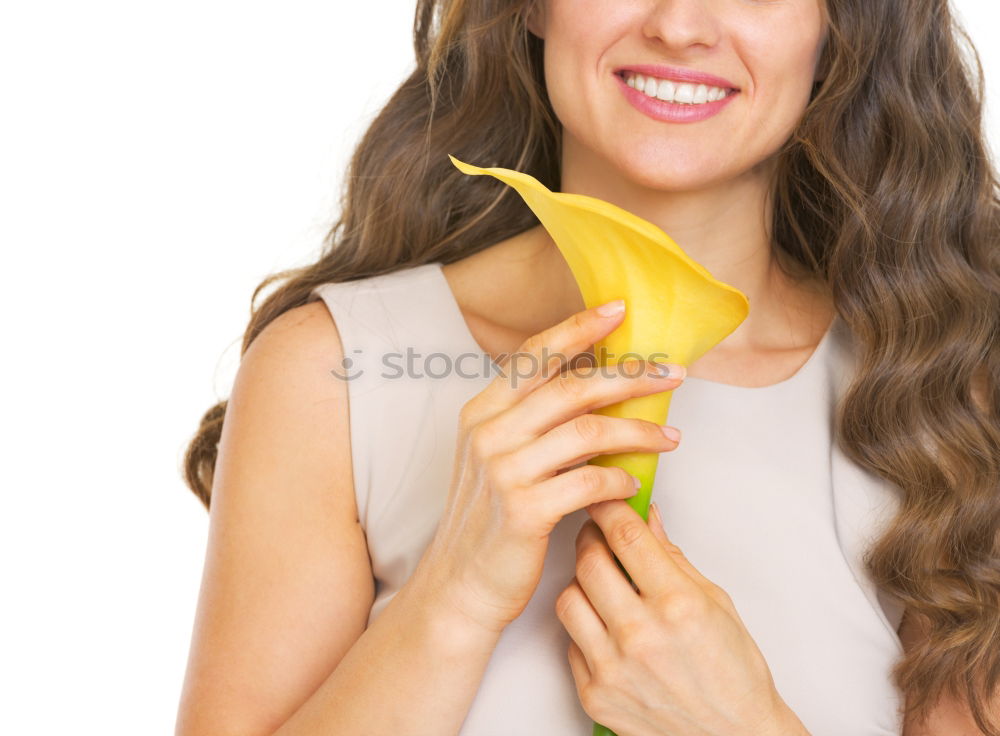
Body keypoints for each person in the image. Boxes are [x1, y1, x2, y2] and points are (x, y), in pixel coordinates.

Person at [175, 0, 1000, 734]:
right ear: (532, 7)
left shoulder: (945, 390)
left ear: (841, 27)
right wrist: (453, 596)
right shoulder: (334, 372)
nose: (679, 24)